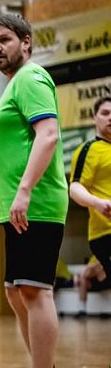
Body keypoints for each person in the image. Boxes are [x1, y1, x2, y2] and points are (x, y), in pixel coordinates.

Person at [0, 13, 68, 368]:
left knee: (35, 292)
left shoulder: (31, 78)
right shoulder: (16, 84)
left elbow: (48, 135)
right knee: (17, 292)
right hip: (18, 207)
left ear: (26, 42)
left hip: (35, 203)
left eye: (4, 39)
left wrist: (24, 191)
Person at [69, 96, 111, 295]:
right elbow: (75, 187)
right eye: (105, 113)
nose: (110, 118)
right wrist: (97, 203)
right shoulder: (89, 150)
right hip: (105, 232)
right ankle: (86, 279)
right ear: (95, 118)